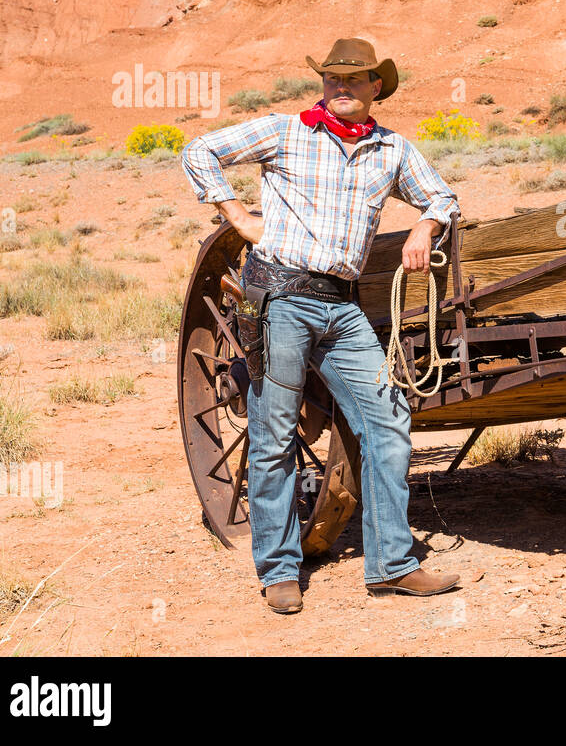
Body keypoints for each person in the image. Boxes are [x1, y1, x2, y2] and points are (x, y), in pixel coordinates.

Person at [180, 37, 461, 614]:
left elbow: (443, 196)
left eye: (354, 79)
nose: (341, 86)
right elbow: (199, 150)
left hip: (342, 307)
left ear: (376, 87)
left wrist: (424, 226)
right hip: (281, 298)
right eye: (333, 78)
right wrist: (236, 214)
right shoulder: (287, 132)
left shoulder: (391, 150)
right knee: (275, 434)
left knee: (388, 420)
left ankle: (392, 566)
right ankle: (279, 570)